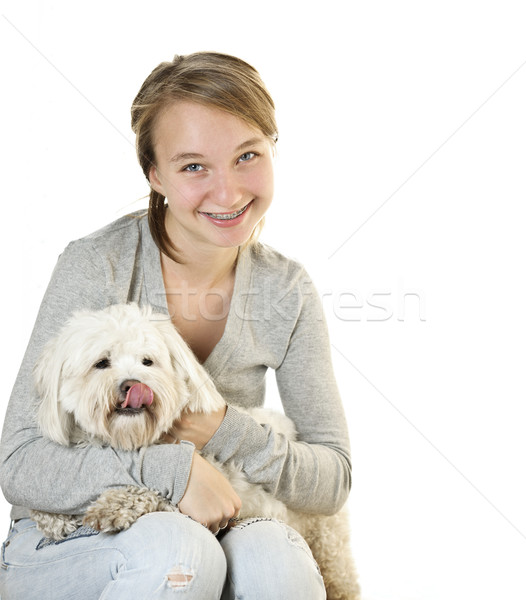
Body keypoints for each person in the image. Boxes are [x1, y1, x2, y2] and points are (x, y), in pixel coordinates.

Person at [0, 52, 352, 599]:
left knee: (276, 557)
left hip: (219, 527)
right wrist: (175, 469)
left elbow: (331, 480)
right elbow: (21, 462)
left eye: (247, 155)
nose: (228, 191)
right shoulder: (99, 265)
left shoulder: (287, 290)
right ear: (155, 174)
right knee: (178, 554)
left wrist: (221, 430)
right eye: (193, 166)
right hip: (73, 540)